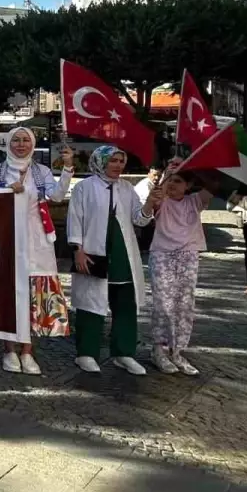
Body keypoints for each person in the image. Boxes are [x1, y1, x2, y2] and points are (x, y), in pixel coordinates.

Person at [0, 127, 75, 376]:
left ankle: (28, 351)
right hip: (7, 239)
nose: (21, 145)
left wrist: (67, 168)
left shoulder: (41, 172)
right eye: (16, 140)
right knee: (10, 293)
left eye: (25, 140)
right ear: (8, 143)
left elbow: (56, 196)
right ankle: (9, 349)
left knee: (33, 295)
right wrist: (6, 192)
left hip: (36, 241)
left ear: (32, 144)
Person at [68, 145, 159, 375]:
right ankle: (86, 353)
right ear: (101, 161)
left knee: (125, 303)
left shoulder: (127, 188)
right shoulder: (84, 188)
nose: (118, 165)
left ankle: (123, 353)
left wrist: (150, 203)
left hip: (122, 254)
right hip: (92, 252)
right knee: (90, 304)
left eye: (121, 161)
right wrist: (78, 249)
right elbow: (75, 219)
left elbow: (139, 220)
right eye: (113, 161)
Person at [147, 163, 211, 376]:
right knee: (163, 304)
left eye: (178, 181)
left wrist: (195, 165)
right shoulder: (161, 201)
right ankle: (159, 350)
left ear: (189, 185)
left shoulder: (195, 202)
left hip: (188, 256)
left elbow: (213, 186)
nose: (173, 185)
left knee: (184, 305)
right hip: (162, 255)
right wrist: (169, 171)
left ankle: (177, 351)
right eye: (170, 180)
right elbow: (152, 202)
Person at [133, 162, 164, 253]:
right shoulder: (144, 187)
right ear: (149, 174)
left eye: (159, 175)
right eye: (154, 175)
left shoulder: (155, 184)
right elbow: (145, 205)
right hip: (139, 212)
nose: (156, 178)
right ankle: (145, 247)